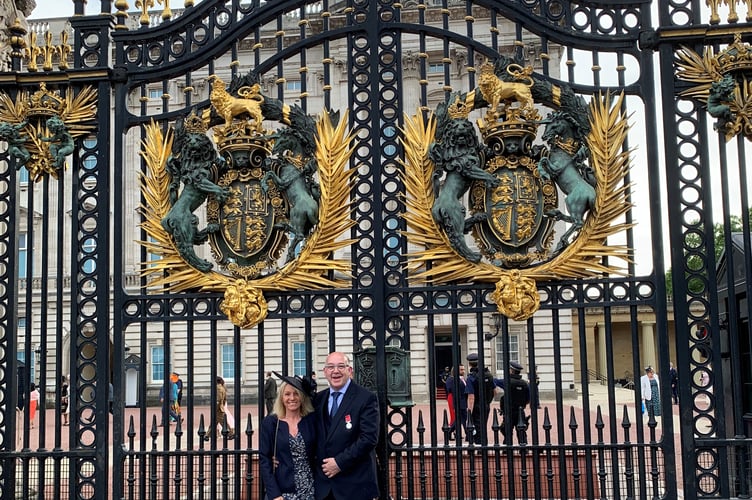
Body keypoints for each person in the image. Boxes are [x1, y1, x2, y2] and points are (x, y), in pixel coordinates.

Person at [313, 351, 379, 500]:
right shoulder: (318, 399)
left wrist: (339, 463)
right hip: (324, 487)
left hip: (354, 485)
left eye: (341, 366)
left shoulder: (366, 398)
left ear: (350, 371)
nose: (335, 371)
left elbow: (369, 438)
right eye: (330, 367)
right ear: (325, 372)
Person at [259, 372, 316, 500]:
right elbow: (265, 460)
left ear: (302, 397)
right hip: (283, 490)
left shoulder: (311, 420)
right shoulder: (272, 423)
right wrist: (275, 494)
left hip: (310, 489)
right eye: (287, 394)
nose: (292, 398)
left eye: (296, 393)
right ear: (281, 398)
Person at [465, 352, 500, 445]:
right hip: (486, 404)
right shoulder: (488, 374)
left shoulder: (471, 377)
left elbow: (471, 397)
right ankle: (483, 446)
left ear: (469, 364)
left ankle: (479, 448)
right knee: (483, 426)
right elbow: (496, 391)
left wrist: (469, 412)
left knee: (476, 427)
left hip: (476, 406)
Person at [498, 361, 530, 445]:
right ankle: (523, 448)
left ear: (511, 371)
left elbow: (495, 381)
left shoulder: (507, 381)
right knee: (521, 431)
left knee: (507, 431)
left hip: (509, 410)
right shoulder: (525, 383)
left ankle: (507, 448)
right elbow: (528, 399)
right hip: (520, 410)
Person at [444, 365, 467, 440]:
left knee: (459, 418)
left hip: (462, 400)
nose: (463, 371)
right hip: (455, 399)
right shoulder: (451, 379)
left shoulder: (462, 379)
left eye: (463, 369)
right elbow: (450, 390)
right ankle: (456, 432)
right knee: (456, 417)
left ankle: (453, 432)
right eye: (461, 370)